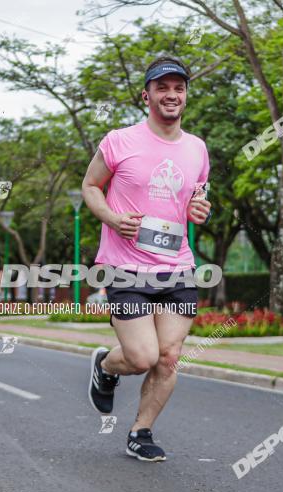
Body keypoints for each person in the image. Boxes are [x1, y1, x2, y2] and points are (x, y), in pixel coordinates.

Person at [80, 56, 211, 462]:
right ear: (147, 95)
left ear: (186, 95)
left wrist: (200, 210)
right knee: (142, 358)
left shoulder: (197, 149)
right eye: (162, 87)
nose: (172, 95)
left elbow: (197, 197)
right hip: (126, 265)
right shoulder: (119, 141)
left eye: (179, 88)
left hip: (178, 265)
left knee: (169, 357)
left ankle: (141, 431)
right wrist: (112, 218)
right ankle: (106, 365)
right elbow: (90, 186)